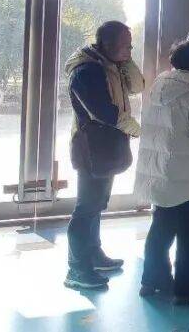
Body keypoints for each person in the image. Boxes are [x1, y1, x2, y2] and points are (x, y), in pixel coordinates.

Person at [135, 40, 189, 304]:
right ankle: (188, 288)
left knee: (160, 230)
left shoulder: (160, 85)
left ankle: (152, 280)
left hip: (162, 173)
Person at [63, 21, 145, 290]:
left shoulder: (110, 64)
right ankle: (77, 268)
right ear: (107, 45)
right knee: (86, 208)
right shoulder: (87, 70)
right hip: (91, 146)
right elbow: (104, 113)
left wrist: (127, 59)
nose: (130, 50)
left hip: (107, 145)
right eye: (126, 45)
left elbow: (137, 86)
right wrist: (138, 130)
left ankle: (93, 254)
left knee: (97, 204)